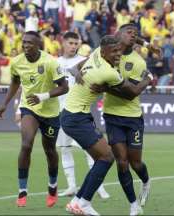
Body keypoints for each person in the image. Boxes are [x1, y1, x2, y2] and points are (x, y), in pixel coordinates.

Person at [61, 35, 153, 215]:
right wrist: (148, 78)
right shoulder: (108, 72)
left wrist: (79, 72)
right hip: (76, 117)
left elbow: (75, 67)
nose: (118, 54)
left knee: (102, 158)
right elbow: (132, 92)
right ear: (104, 52)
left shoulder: (96, 53)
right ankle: (84, 202)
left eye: (119, 50)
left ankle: (77, 200)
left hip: (76, 115)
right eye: (114, 52)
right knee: (107, 157)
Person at [0, 31, 68, 208]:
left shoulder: (50, 62)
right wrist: (5, 103)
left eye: (30, 43)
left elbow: (64, 87)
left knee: (50, 150)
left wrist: (43, 96)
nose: (25, 46)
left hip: (50, 112)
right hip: (29, 108)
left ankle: (52, 186)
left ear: (38, 45)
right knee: (26, 144)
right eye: (24, 42)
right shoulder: (18, 62)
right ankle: (22, 190)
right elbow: (15, 82)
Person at [90, 24, 152, 215]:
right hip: (112, 116)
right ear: (119, 34)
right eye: (129, 32)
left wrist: (105, 89)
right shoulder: (107, 52)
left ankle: (146, 181)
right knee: (122, 162)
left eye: (136, 34)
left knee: (136, 163)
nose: (133, 35)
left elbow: (130, 94)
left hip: (133, 117)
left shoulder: (138, 62)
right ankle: (134, 205)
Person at [56, 31, 109, 199]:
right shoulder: (55, 63)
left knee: (90, 150)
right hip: (60, 113)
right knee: (64, 150)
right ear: (63, 43)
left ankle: (99, 186)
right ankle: (71, 185)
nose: (73, 46)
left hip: (80, 112)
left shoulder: (82, 61)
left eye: (76, 43)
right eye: (70, 43)